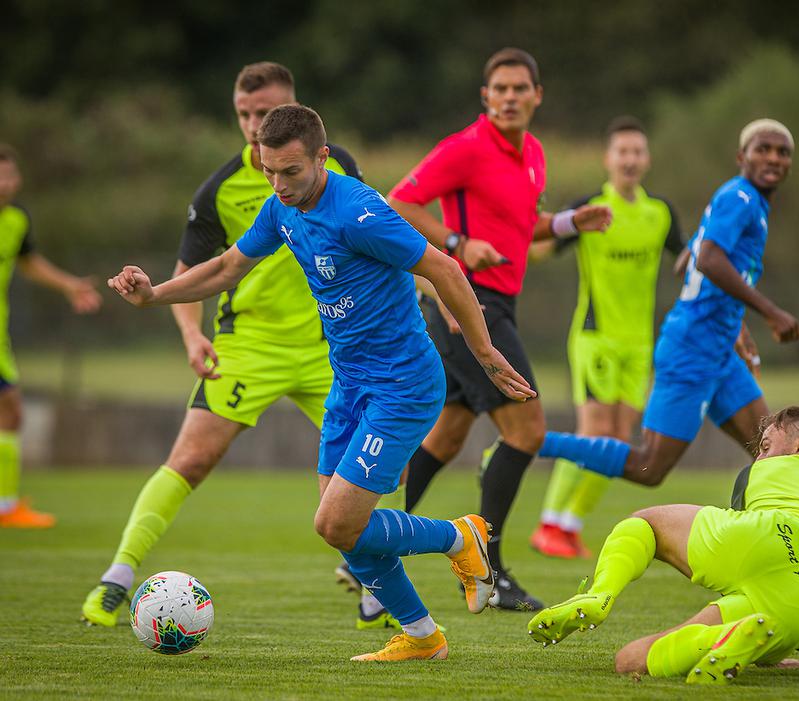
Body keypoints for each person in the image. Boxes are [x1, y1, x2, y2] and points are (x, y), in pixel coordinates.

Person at [108, 103, 536, 662]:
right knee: (341, 531)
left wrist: (483, 351)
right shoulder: (280, 211)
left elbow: (444, 268)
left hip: (403, 385)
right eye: (269, 172)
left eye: (291, 171)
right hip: (350, 384)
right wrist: (154, 295)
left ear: (322, 157)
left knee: (337, 520)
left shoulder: (359, 212)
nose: (279, 185)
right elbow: (225, 268)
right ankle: (425, 637)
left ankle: (461, 537)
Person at [79, 62, 383, 627]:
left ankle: (375, 590)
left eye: (264, 112)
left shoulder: (334, 166)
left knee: (378, 462)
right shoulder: (221, 188)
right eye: (243, 113)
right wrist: (192, 334)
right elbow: (204, 270)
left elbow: (376, 241)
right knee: (189, 459)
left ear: (296, 113)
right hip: (249, 345)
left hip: (330, 348)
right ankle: (117, 578)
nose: (252, 124)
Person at [388, 47, 612, 610]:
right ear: (486, 98)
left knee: (447, 435)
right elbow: (398, 203)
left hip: (498, 302)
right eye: (500, 89)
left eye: (521, 89)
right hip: (468, 302)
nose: (510, 97)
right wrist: (459, 243)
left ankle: (366, 537)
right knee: (526, 432)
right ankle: (488, 572)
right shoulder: (464, 148)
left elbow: (521, 226)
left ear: (538, 96)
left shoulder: (533, 152)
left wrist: (567, 223)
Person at [528, 406, 799, 683]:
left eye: (765, 445)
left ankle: (600, 593)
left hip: (774, 537)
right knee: (632, 662)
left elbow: (745, 557)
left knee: (644, 524)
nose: (760, 456)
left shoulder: (770, 472)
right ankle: (732, 640)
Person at [536, 119, 799, 488]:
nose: (773, 158)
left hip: (719, 349)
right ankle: (534, 442)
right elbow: (708, 259)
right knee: (649, 468)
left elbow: (691, 256)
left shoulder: (744, 201)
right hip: (691, 349)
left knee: (773, 456)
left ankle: (775, 532)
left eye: (782, 152)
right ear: (742, 156)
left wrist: (734, 322)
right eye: (763, 149)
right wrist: (771, 313)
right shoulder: (739, 198)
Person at [528, 117, 685, 559]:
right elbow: (540, 249)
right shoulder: (591, 206)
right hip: (595, 339)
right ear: (608, 159)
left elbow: (691, 259)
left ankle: (570, 526)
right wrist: (522, 221)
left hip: (638, 343)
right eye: (623, 151)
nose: (630, 159)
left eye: (637, 151)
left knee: (620, 441)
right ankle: (548, 523)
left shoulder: (661, 215)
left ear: (646, 159)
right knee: (594, 428)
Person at [0, 144, 102, 528]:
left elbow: (27, 261)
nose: (5, 184)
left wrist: (69, 285)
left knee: (10, 411)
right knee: (9, 407)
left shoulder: (16, 219)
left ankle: (6, 506)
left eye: (10, 175)